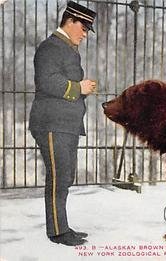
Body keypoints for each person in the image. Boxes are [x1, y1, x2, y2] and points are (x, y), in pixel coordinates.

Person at [29, 1, 97, 246]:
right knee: (59, 178)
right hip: (51, 123)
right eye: (84, 28)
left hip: (64, 124)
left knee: (65, 176)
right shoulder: (51, 47)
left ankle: (62, 225)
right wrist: (79, 87)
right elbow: (47, 82)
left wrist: (82, 90)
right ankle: (57, 232)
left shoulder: (65, 48)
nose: (85, 34)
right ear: (70, 21)